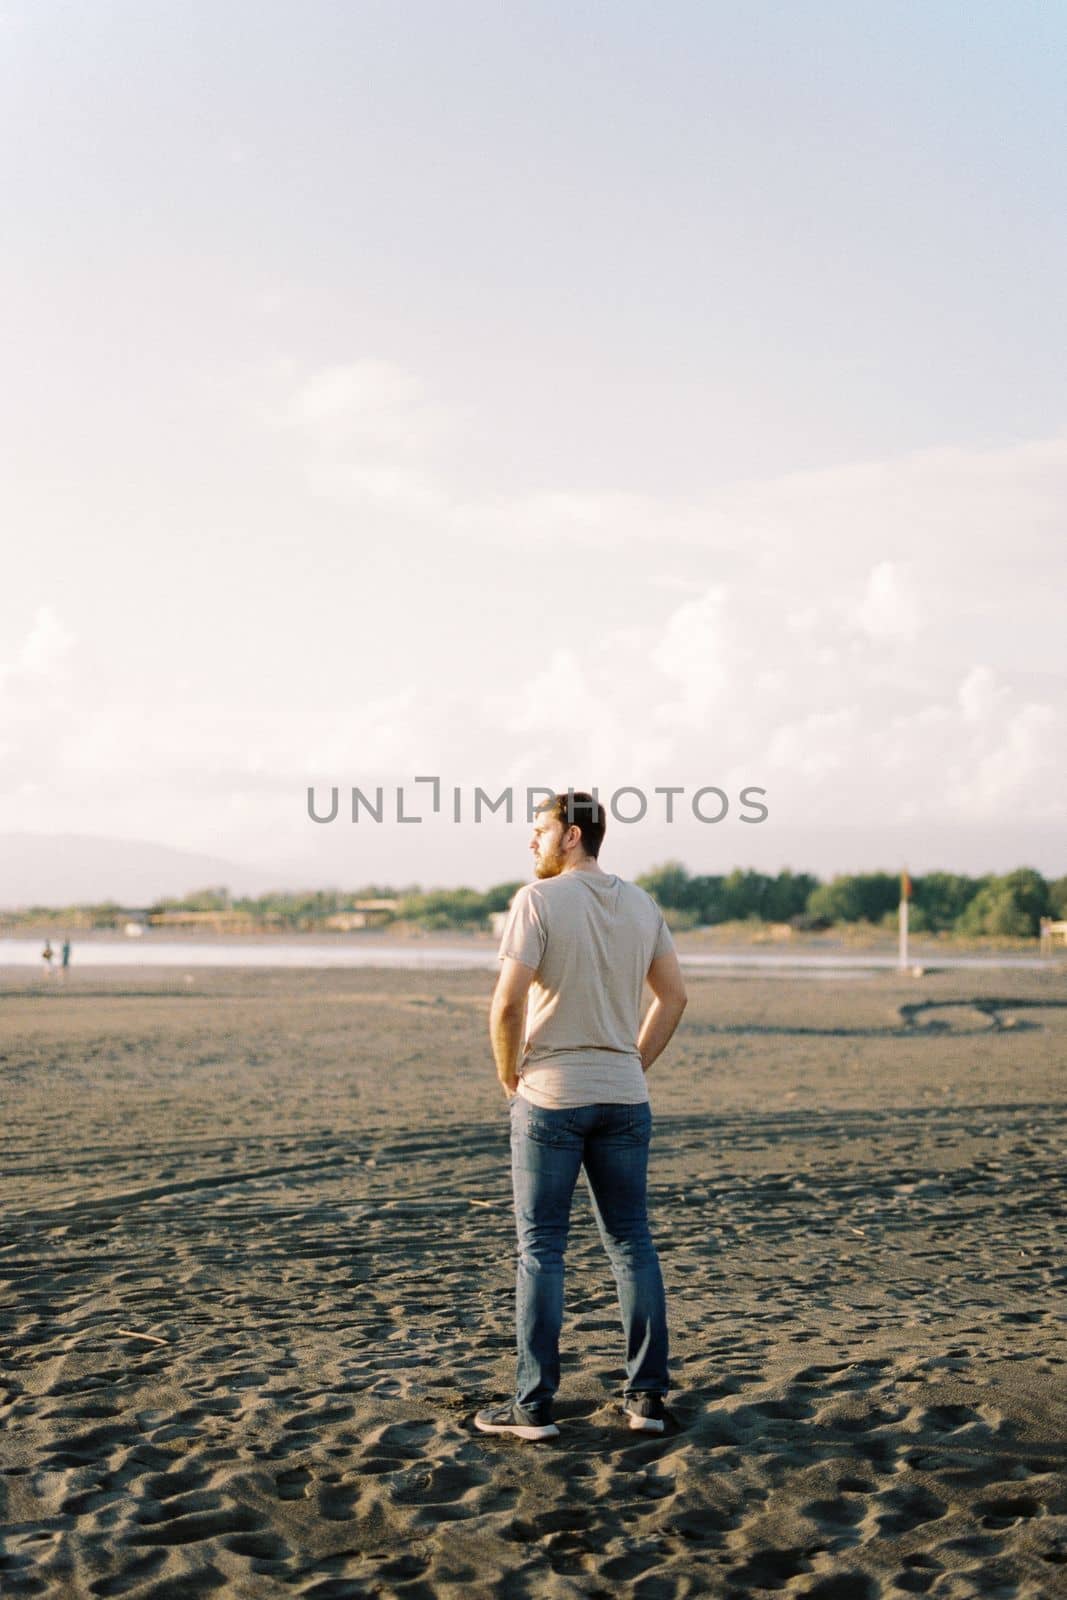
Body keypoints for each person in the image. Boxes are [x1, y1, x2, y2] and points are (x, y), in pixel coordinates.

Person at [475, 791, 688, 1442]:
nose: (531, 842)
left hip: (551, 1095)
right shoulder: (641, 902)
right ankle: (645, 1401)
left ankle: (533, 1406)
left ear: (571, 835)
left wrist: (508, 1073)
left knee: (541, 1248)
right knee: (632, 1243)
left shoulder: (536, 901)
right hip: (623, 1093)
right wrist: (633, 1061)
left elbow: (507, 1006)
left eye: (538, 830)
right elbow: (674, 997)